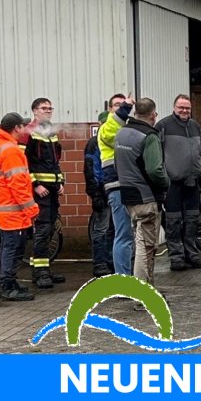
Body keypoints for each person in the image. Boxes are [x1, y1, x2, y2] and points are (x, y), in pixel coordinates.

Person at [115, 98, 169, 289]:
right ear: (153, 114)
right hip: (146, 197)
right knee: (145, 249)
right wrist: (166, 184)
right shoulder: (149, 136)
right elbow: (155, 170)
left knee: (140, 244)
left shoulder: (121, 133)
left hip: (128, 196)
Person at [0, 112, 39, 301]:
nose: (25, 129)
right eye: (23, 126)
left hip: (4, 208)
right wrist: (32, 209)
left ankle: (9, 282)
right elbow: (18, 184)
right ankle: (7, 285)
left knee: (8, 246)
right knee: (12, 247)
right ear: (16, 128)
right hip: (12, 210)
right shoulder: (10, 150)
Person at [156, 94, 201, 271]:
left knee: (192, 220)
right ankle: (176, 257)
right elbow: (156, 153)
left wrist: (200, 166)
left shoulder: (195, 126)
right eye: (181, 107)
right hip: (172, 184)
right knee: (173, 222)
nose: (184, 111)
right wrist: (165, 175)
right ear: (174, 108)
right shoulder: (163, 125)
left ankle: (192, 255)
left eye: (187, 108)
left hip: (192, 182)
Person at [22, 98, 65, 289]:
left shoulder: (51, 133)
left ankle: (44, 267)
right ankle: (40, 272)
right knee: (43, 229)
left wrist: (60, 182)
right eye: (43, 108)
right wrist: (36, 184)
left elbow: (55, 161)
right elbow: (23, 163)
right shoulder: (28, 132)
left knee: (50, 229)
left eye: (50, 108)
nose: (48, 111)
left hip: (53, 188)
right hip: (40, 190)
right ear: (34, 111)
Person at [98, 94, 135, 275]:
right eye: (117, 105)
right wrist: (126, 108)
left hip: (129, 185)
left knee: (129, 236)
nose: (120, 108)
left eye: (123, 105)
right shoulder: (108, 128)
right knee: (123, 235)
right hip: (117, 186)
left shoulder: (125, 128)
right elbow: (112, 132)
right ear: (110, 109)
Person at [83, 111, 114, 277]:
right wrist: (95, 194)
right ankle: (100, 262)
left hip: (113, 189)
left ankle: (110, 260)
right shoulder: (94, 143)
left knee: (112, 229)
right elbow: (90, 170)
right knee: (101, 229)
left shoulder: (113, 141)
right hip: (102, 190)